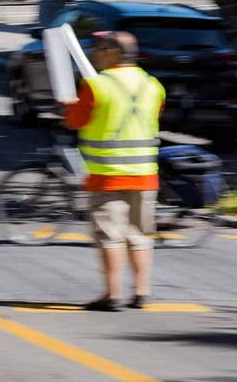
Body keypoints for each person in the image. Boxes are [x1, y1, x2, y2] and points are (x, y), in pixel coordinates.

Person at [61, 31, 165, 312]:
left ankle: (112, 294)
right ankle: (142, 292)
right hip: (145, 174)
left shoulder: (97, 86)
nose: (94, 52)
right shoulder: (153, 85)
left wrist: (68, 109)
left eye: (98, 47)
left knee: (110, 236)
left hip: (106, 174)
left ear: (111, 51)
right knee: (139, 234)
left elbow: (74, 121)